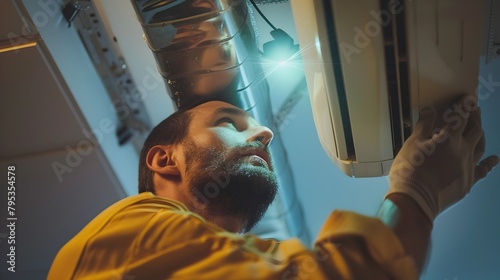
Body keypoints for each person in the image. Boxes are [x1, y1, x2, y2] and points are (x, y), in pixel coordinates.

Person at [48, 96, 498, 279]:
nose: (264, 133)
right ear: (165, 159)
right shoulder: (128, 231)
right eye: (229, 123)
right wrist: (417, 193)